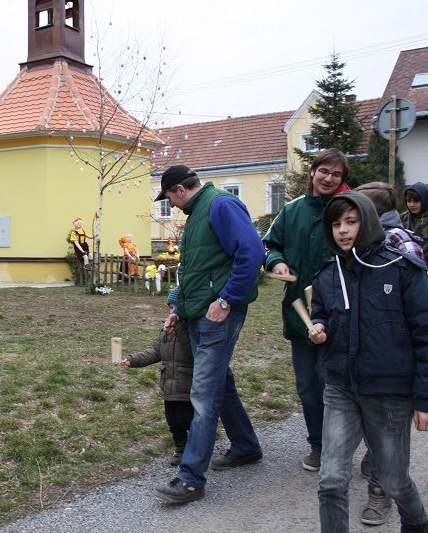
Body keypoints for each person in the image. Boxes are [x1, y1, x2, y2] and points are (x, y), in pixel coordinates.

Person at [309, 191, 428, 532]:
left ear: (368, 222)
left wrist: (423, 398)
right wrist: (319, 329)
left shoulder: (401, 268)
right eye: (335, 224)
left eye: (351, 221)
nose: (343, 231)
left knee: (393, 482)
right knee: (331, 480)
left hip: (389, 392)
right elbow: (322, 315)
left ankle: (417, 523)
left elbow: (425, 334)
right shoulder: (329, 273)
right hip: (341, 388)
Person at [153, 164, 265, 504]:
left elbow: (253, 253)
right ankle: (246, 446)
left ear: (179, 189)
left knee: (203, 393)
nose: (171, 205)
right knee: (219, 380)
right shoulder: (198, 215)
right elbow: (194, 270)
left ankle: (190, 479)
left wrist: (227, 300)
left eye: (169, 198)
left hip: (218, 314)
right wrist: (177, 311)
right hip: (199, 313)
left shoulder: (220, 205)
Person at [262, 148, 352, 472]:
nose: (328, 178)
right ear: (312, 172)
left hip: (341, 315)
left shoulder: (349, 211)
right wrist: (277, 261)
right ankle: (318, 445)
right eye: (323, 171)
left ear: (343, 179)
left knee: (335, 384)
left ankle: (344, 446)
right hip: (300, 312)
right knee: (307, 387)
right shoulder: (292, 210)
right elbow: (270, 245)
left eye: (336, 174)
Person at [354, 181, 427, 526]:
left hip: (394, 357)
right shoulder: (359, 244)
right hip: (365, 354)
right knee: (374, 429)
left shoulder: (399, 242)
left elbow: (413, 304)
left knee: (388, 440)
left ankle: (381, 496)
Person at [120, 287, 193, 466]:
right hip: (169, 384)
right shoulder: (164, 330)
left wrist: (180, 330)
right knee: (173, 421)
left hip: (188, 386)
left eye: (176, 308)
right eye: (170, 307)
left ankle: (198, 445)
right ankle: (181, 449)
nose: (172, 312)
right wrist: (132, 360)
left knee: (186, 418)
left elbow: (194, 351)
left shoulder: (193, 330)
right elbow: (154, 351)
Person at [401, 182, 428, 258]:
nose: (412, 205)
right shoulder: (403, 218)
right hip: (408, 261)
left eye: (416, 201)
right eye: (409, 201)